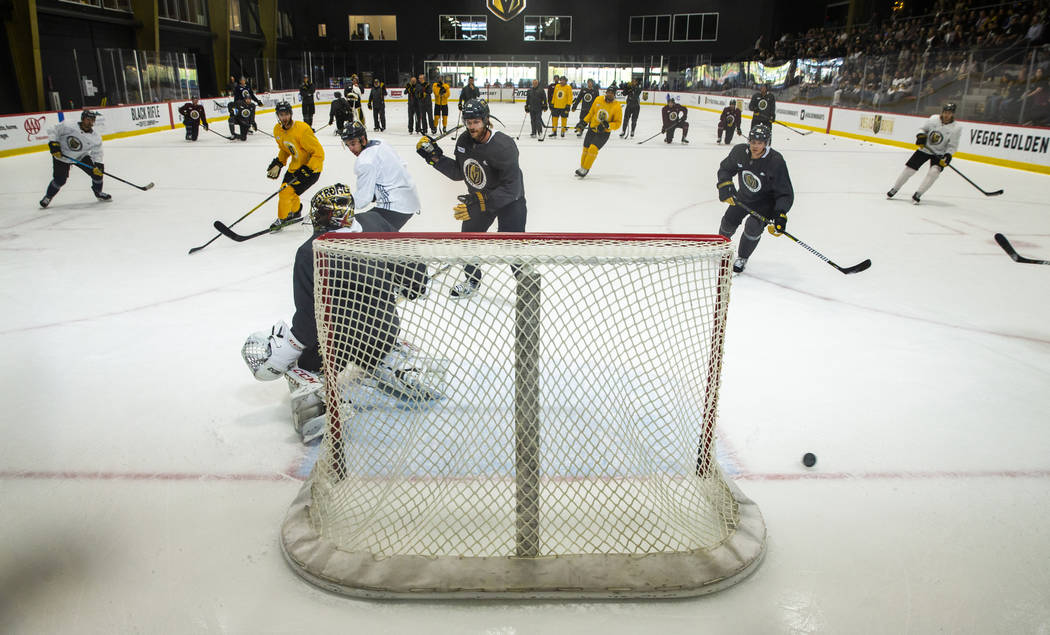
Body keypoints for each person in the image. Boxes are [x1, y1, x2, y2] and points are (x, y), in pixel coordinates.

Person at [240, 184, 436, 443]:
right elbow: (414, 271)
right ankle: (386, 359)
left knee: (305, 362)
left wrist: (289, 346)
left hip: (338, 344)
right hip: (384, 332)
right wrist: (414, 287)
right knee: (376, 333)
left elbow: (309, 322)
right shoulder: (375, 221)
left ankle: (317, 400)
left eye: (319, 213)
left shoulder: (312, 250)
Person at [414, 98, 527, 298]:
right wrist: (434, 158)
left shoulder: (504, 146)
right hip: (481, 199)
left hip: (510, 202)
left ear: (485, 120)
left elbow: (512, 188)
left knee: (511, 246)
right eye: (468, 122)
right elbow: (460, 172)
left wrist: (479, 201)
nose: (471, 126)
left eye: (476, 122)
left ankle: (526, 285)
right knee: (467, 240)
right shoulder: (464, 141)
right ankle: (472, 281)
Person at [715, 122, 794, 274]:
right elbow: (725, 169)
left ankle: (742, 257)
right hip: (744, 196)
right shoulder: (739, 152)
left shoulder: (775, 161)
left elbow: (784, 192)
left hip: (765, 203)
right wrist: (725, 186)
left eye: (760, 143)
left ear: (766, 143)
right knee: (728, 221)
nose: (755, 146)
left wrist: (780, 214)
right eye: (752, 142)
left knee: (753, 226)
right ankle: (720, 246)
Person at [340, 121, 421, 230]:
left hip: (395, 207)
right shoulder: (380, 142)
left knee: (352, 229)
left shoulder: (365, 161)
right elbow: (402, 164)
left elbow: (363, 198)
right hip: (410, 200)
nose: (351, 149)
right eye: (347, 145)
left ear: (363, 140)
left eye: (353, 143)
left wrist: (341, 205)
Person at [886, 103, 961, 204]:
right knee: (909, 170)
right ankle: (895, 188)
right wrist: (920, 136)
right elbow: (923, 129)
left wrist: (948, 155)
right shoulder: (933, 119)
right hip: (925, 149)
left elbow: (952, 145)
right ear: (942, 112)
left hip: (939, 153)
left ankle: (918, 193)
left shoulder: (956, 128)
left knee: (934, 172)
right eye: (945, 112)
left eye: (949, 113)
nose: (947, 115)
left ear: (953, 114)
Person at [267, 101, 324, 232]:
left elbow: (319, 153)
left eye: (286, 114)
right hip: (295, 167)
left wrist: (308, 169)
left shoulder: (302, 130)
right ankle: (296, 210)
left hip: (311, 170)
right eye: (281, 115)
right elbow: (285, 149)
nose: (284, 117)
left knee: (285, 191)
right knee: (287, 192)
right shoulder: (278, 130)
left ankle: (282, 219)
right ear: (277, 116)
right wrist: (279, 162)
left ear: (291, 114)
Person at [40, 109, 109, 208]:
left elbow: (97, 153)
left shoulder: (95, 138)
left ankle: (99, 192)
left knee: (97, 174)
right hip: (61, 156)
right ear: (82, 119)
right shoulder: (68, 125)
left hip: (79, 156)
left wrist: (98, 164)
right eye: (88, 119)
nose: (90, 122)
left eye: (92, 120)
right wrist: (53, 144)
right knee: (60, 180)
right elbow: (53, 130)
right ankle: (48, 197)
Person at [575, 85, 622, 178]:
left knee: (593, 149)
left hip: (603, 133)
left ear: (614, 95)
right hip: (592, 129)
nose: (609, 94)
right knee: (585, 148)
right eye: (608, 92)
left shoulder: (617, 106)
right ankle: (582, 167)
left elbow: (618, 123)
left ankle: (585, 169)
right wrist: (583, 122)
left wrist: (607, 125)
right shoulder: (598, 99)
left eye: (612, 93)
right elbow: (591, 113)